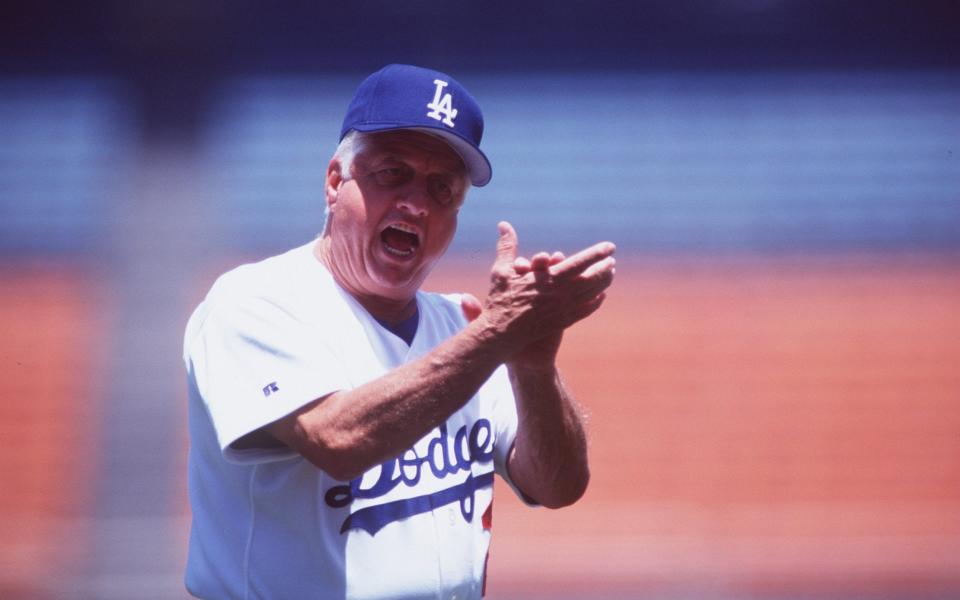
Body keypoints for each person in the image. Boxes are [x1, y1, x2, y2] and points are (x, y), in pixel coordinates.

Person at [183, 63, 616, 599]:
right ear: (335, 181)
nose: (416, 202)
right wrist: (496, 339)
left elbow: (557, 485)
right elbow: (337, 440)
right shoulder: (256, 301)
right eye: (393, 173)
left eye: (442, 188)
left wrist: (533, 367)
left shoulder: (463, 324)